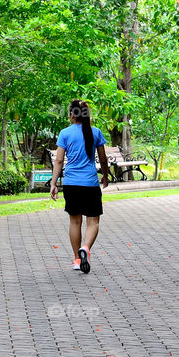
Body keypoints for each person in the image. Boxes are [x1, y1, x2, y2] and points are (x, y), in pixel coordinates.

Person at [50, 99, 109, 274]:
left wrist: (54, 184)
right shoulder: (96, 132)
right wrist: (105, 176)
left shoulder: (65, 133)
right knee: (93, 221)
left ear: (71, 115)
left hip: (71, 184)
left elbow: (59, 160)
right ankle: (86, 247)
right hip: (90, 183)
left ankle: (77, 259)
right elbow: (103, 159)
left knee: (75, 221)